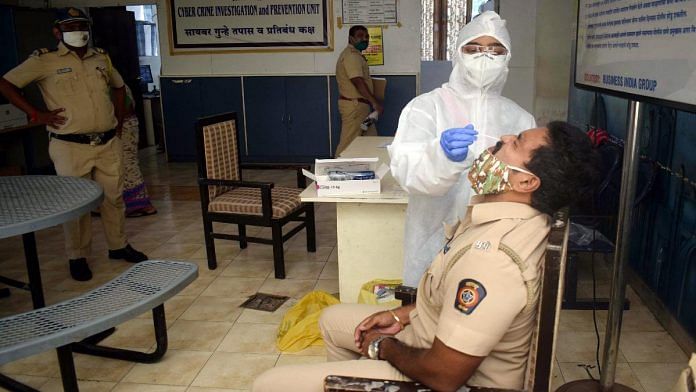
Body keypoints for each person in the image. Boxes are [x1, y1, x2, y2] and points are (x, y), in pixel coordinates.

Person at [252, 121, 600, 391]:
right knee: (331, 320)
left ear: (526, 183)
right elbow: (452, 297)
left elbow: (444, 375)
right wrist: (405, 314)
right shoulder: (503, 215)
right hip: (432, 334)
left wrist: (383, 347)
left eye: (517, 142)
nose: (505, 137)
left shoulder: (492, 260)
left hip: (458, 380)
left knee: (266, 385)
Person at [388, 11, 537, 287]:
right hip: (431, 236)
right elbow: (406, 171)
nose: (484, 57)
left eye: (495, 50)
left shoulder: (520, 119)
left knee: (479, 310)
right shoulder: (426, 108)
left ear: (507, 59)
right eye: (474, 49)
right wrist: (441, 157)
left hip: (493, 241)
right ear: (458, 53)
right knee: (424, 309)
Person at [0, 7, 148, 282]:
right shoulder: (45, 60)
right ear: (57, 32)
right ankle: (77, 256)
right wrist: (36, 113)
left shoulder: (100, 58)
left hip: (106, 142)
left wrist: (117, 117)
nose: (78, 31)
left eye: (82, 26)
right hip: (70, 145)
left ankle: (118, 246)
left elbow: (118, 86)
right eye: (70, 27)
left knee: (113, 198)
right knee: (77, 205)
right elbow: (6, 84)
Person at [334, 25, 384, 156]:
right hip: (354, 107)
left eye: (367, 37)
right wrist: (375, 103)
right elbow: (357, 81)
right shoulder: (352, 56)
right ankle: (335, 171)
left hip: (362, 107)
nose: (365, 39)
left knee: (371, 141)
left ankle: (374, 171)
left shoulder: (356, 55)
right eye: (360, 36)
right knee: (348, 143)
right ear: (351, 38)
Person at [119, 85, 157, 217]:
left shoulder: (115, 85)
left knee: (127, 165)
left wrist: (116, 128)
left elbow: (125, 108)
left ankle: (139, 205)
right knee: (127, 164)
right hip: (126, 125)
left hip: (123, 127)